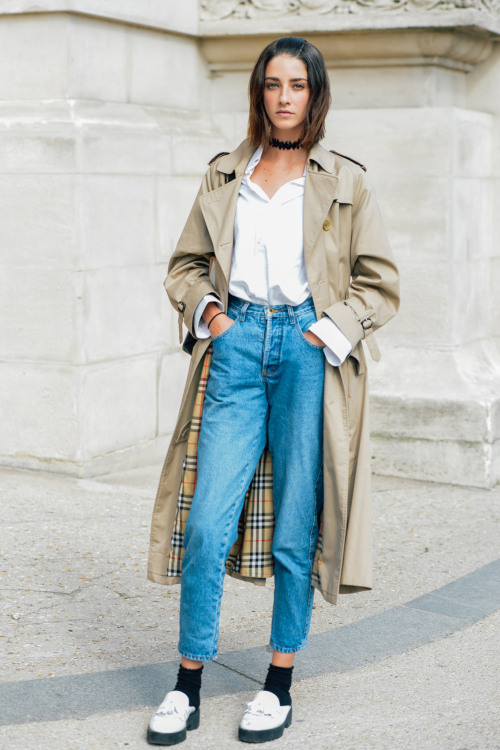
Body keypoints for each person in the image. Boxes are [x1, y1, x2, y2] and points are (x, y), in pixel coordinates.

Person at [146, 36, 399, 745]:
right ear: (258, 93)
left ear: (315, 96)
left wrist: (328, 331)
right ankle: (187, 682)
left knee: (294, 528)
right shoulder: (226, 174)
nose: (285, 98)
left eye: (298, 85)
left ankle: (279, 682)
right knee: (205, 525)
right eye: (273, 84)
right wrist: (214, 318)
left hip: (306, 351)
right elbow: (186, 266)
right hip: (235, 350)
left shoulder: (344, 180)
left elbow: (380, 284)